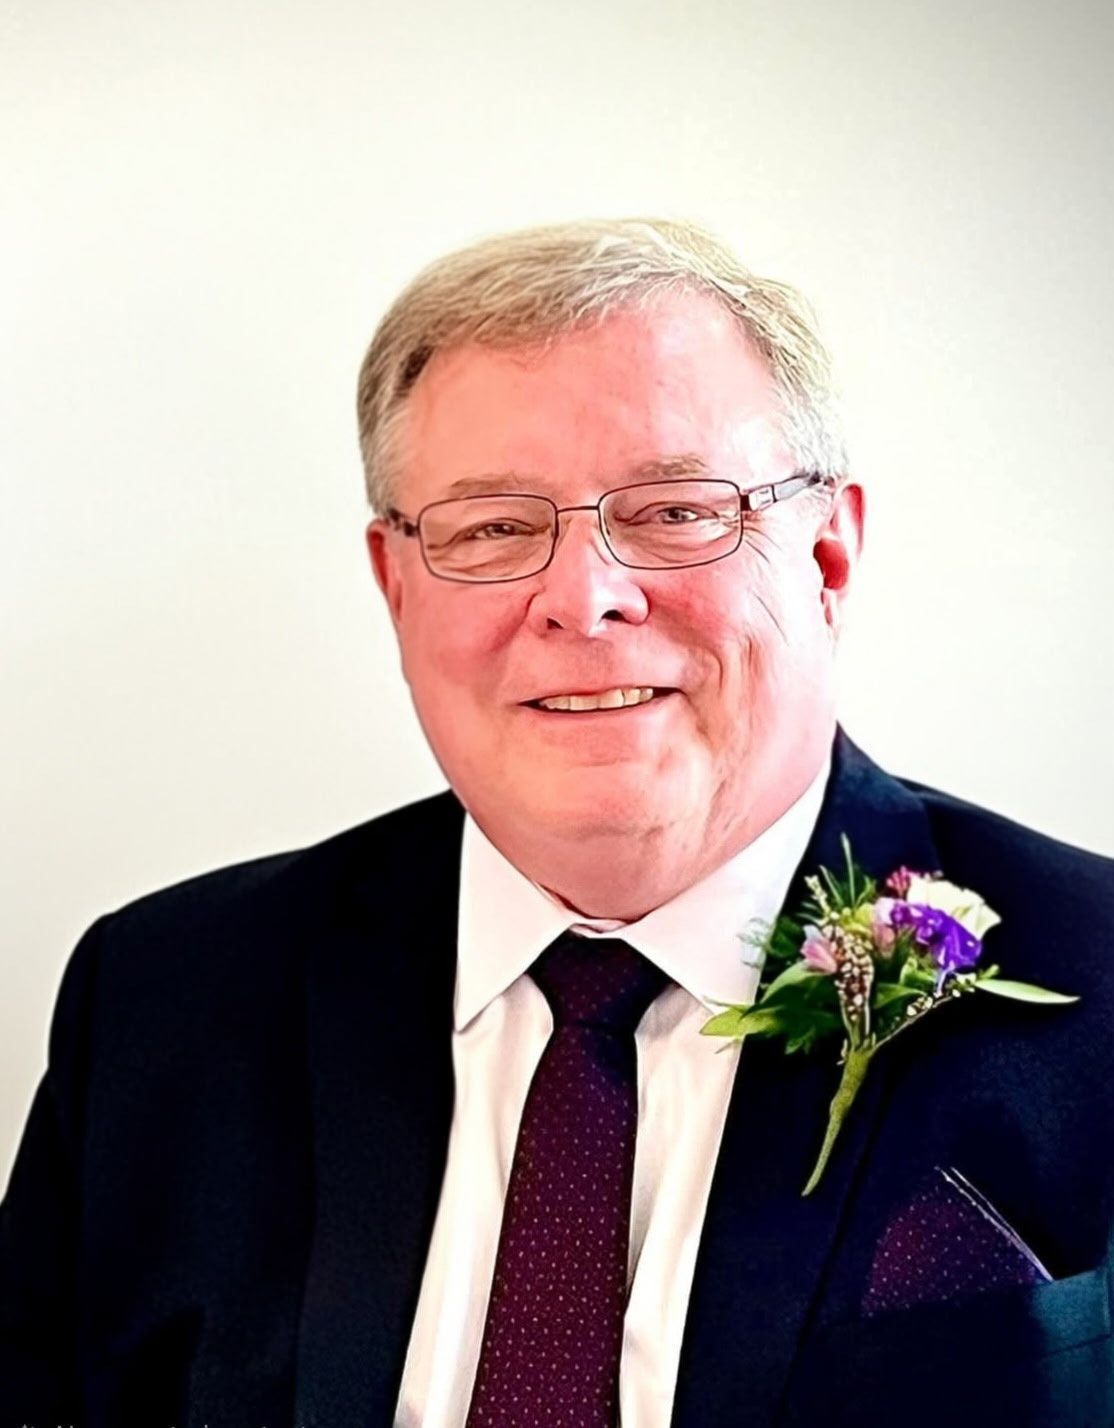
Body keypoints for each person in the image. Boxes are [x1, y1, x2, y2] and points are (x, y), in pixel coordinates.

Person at [1, 218, 1111, 1428]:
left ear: (827, 555)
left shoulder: (1096, 979)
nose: (582, 599)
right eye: (491, 528)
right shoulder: (163, 999)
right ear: (395, 582)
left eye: (675, 510)